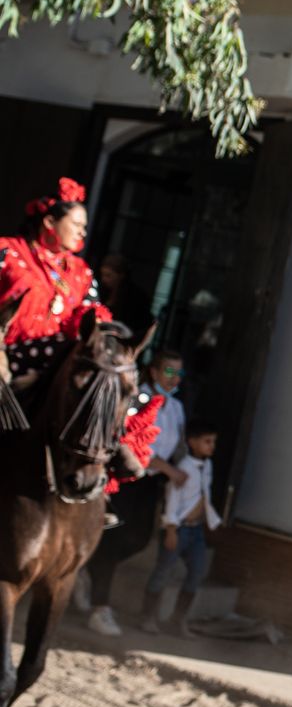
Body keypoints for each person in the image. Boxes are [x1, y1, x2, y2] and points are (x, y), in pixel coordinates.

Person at [82, 348, 189, 637]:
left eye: (179, 373)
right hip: (127, 477)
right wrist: (167, 469)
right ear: (153, 372)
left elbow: (176, 446)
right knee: (111, 539)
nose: (174, 378)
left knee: (139, 539)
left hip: (150, 483)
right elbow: (127, 440)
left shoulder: (176, 407)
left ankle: (89, 574)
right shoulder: (138, 398)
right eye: (168, 371)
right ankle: (99, 605)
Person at [0, 177, 111, 392]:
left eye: (84, 226)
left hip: (54, 364)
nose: (83, 232)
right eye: (77, 224)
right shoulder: (7, 252)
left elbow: (90, 313)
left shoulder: (82, 272)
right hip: (7, 352)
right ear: (50, 222)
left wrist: (94, 322)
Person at [140, 419, 222, 637]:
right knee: (163, 572)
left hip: (196, 530)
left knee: (196, 573)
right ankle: (148, 617)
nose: (211, 446)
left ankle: (178, 620)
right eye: (206, 441)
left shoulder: (208, 466)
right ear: (192, 442)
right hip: (179, 528)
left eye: (213, 442)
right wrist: (171, 529)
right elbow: (173, 499)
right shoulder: (182, 468)